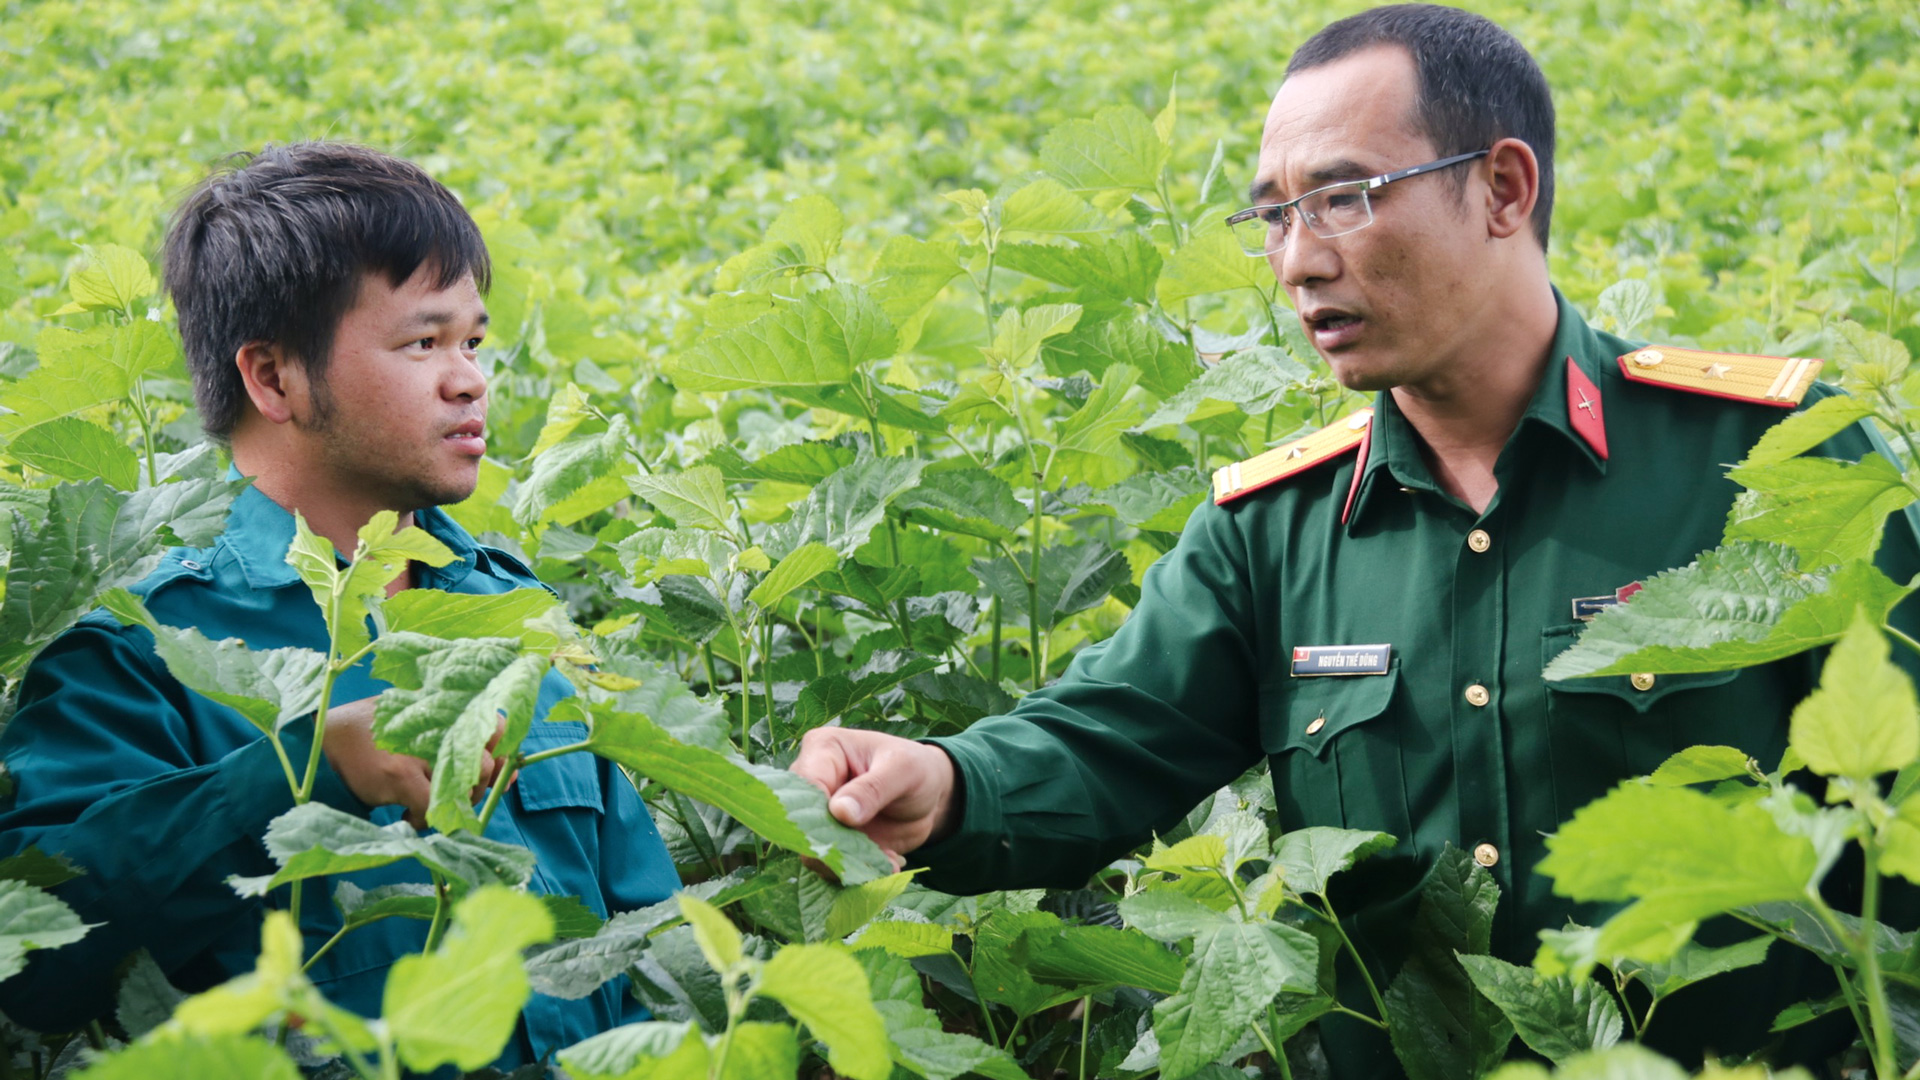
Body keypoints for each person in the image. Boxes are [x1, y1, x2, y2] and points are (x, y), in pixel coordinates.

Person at [792, 4, 1920, 1073]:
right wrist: (940, 783)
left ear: (1502, 188)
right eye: (1273, 215)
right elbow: (1107, 738)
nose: (1297, 260)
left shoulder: (1771, 463)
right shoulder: (1277, 529)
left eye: (1344, 197)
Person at [0, 144, 679, 1064]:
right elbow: (37, 960)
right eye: (422, 342)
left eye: (472, 342)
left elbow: (648, 940)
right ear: (273, 378)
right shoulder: (140, 647)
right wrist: (309, 771)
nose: (470, 378)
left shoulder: (509, 610)